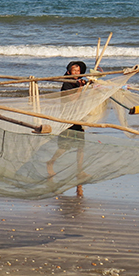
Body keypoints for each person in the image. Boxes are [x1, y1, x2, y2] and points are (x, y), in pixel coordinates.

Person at [48, 60, 89, 197]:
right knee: (64, 146)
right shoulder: (66, 84)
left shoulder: (80, 83)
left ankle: (79, 170)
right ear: (69, 72)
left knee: (81, 146)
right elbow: (72, 101)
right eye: (74, 70)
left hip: (78, 117)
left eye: (78, 71)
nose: (76, 73)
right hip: (67, 118)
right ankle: (50, 163)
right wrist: (80, 89)